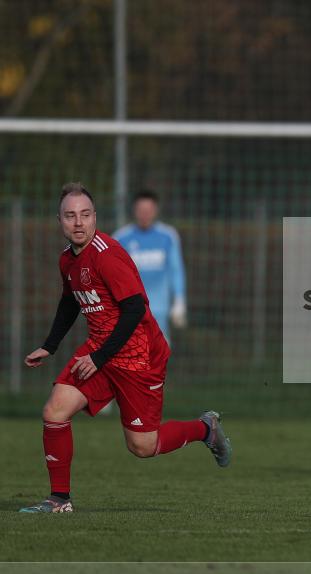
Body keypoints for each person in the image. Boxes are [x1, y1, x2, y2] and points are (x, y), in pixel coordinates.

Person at [19, 183, 231, 514]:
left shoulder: (108, 255)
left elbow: (134, 309)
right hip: (99, 351)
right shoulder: (68, 260)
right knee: (55, 411)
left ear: (95, 218)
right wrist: (50, 346)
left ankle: (206, 429)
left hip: (139, 357)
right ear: (59, 220)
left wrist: (100, 357)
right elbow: (70, 300)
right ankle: (59, 500)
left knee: (143, 447)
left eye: (85, 215)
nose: (78, 223)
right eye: (70, 216)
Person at [113, 189, 187, 342]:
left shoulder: (168, 236)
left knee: (158, 357)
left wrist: (179, 301)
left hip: (159, 312)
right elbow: (113, 275)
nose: (145, 214)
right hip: (129, 312)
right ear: (134, 211)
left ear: (155, 211)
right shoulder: (121, 238)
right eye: (141, 210)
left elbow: (176, 270)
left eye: (149, 210)